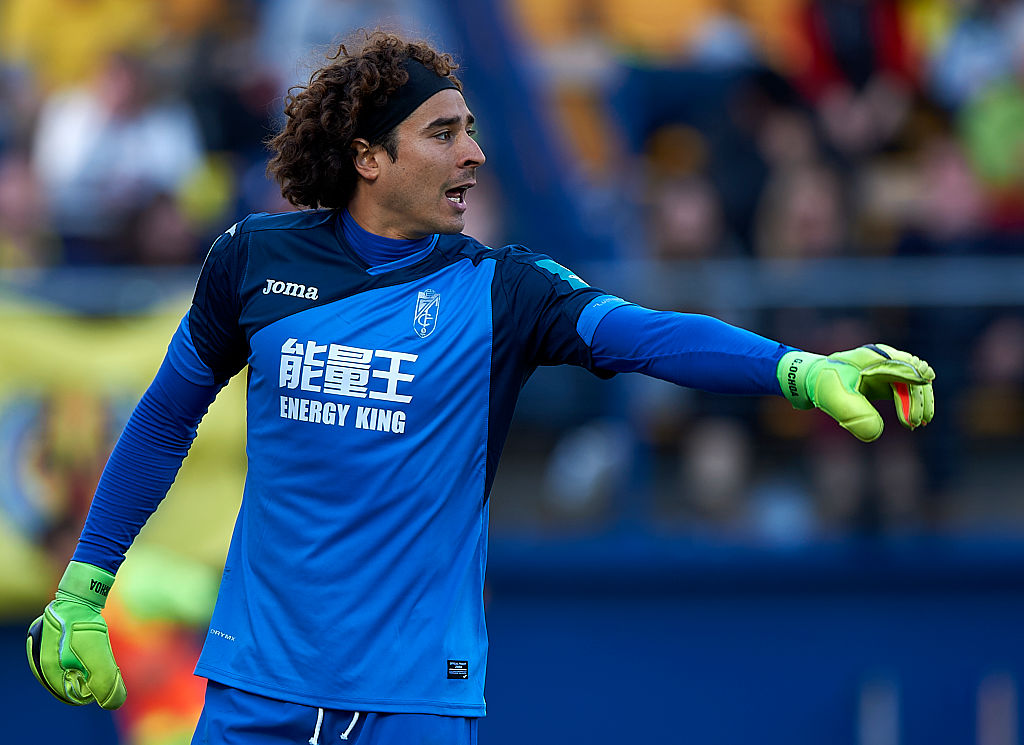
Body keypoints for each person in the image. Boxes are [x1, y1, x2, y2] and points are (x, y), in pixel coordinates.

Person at [25, 31, 935, 745]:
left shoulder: (506, 291)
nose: (475, 154)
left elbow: (646, 335)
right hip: (254, 689)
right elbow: (163, 419)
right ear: (369, 156)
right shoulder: (253, 260)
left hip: (413, 701)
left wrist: (797, 369)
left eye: (471, 129)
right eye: (444, 132)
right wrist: (82, 589)